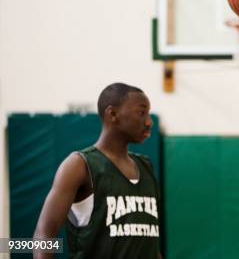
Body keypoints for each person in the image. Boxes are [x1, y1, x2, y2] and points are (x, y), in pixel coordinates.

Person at [33, 83, 161, 259]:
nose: (149, 121)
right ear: (113, 114)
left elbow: (149, 243)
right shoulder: (79, 165)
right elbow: (44, 234)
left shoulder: (146, 166)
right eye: (141, 112)